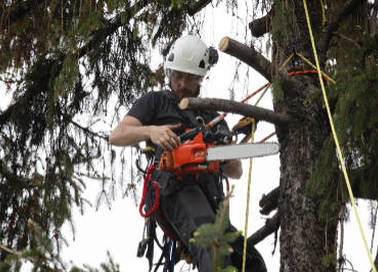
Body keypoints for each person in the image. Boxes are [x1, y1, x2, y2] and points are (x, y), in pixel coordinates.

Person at [109, 35, 267, 272]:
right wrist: (152, 131)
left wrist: (222, 152)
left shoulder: (213, 115)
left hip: (210, 199)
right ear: (169, 73)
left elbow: (236, 171)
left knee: (252, 263)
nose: (182, 84)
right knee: (211, 249)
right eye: (178, 76)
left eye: (190, 78)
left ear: (201, 79)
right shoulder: (156, 102)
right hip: (173, 187)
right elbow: (117, 135)